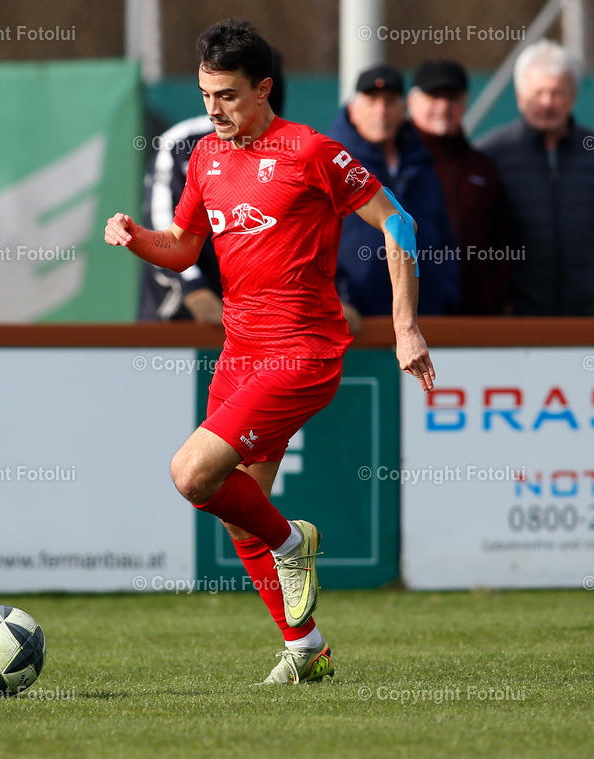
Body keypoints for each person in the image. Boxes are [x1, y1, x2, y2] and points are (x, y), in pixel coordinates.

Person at [105, 20, 434, 685]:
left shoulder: (311, 151)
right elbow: (184, 246)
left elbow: (397, 219)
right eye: (204, 95)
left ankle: (295, 542)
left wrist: (406, 326)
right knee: (235, 507)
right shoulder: (205, 158)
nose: (213, 110)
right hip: (240, 351)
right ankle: (307, 647)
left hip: (304, 351)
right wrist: (139, 237)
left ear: (264, 89)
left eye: (227, 96)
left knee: (193, 473)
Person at [476, 39, 594, 316]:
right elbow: (476, 236)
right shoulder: (489, 156)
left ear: (573, 96)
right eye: (538, 93)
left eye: (557, 93)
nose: (547, 103)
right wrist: (496, 298)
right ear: (519, 96)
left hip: (583, 316)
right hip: (512, 321)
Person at [137, 51, 286, 329]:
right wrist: (194, 289)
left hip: (263, 329)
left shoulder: (295, 150)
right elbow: (164, 230)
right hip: (179, 325)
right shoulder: (185, 144)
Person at [326, 64, 459, 319]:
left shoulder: (424, 163)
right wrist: (336, 301)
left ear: (403, 109)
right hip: (354, 324)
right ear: (353, 109)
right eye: (372, 101)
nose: (381, 111)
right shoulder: (329, 164)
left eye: (389, 101)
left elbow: (443, 235)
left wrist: (446, 292)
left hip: (426, 321)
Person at [408, 60, 512, 315]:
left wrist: (498, 296)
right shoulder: (396, 163)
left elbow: (502, 239)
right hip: (413, 315)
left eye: (452, 97)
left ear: (464, 102)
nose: (443, 107)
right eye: (434, 96)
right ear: (412, 101)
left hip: (475, 316)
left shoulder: (482, 167)